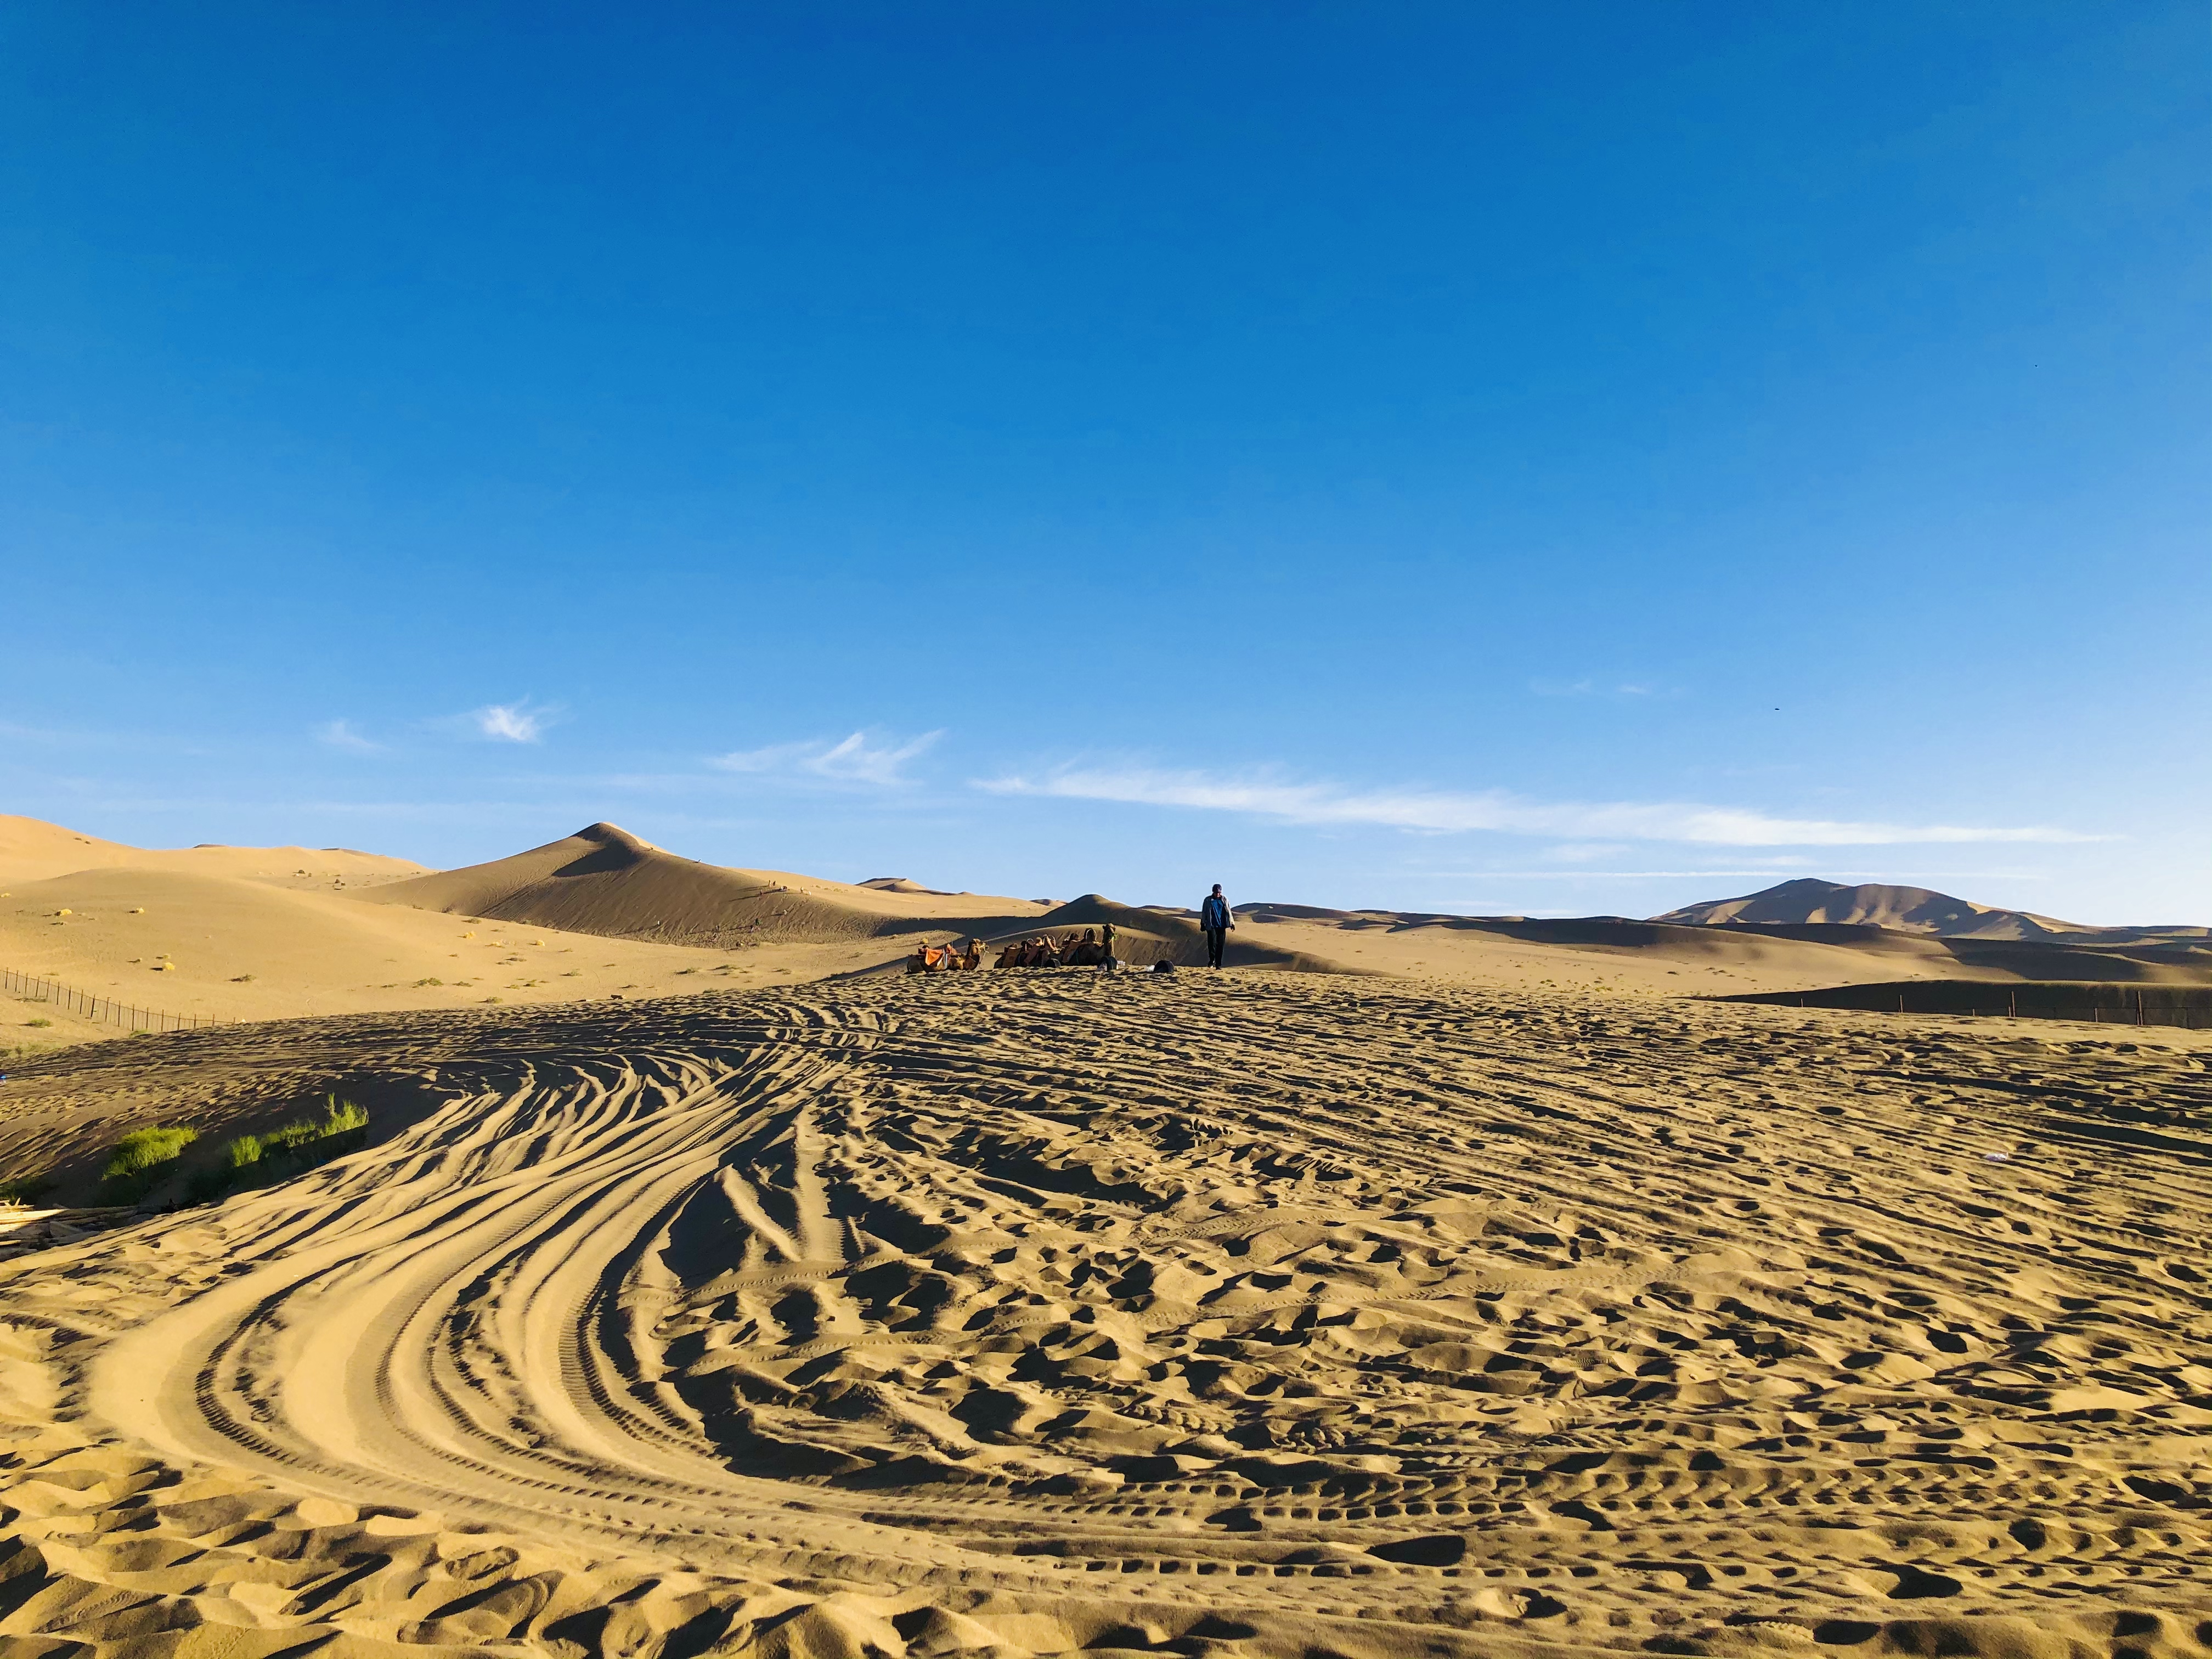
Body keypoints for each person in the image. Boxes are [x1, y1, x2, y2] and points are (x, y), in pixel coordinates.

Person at [1199, 883, 1233, 969]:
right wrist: (1203, 923)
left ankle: (1218, 965)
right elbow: (1204, 912)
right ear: (1213, 892)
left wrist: (1232, 923)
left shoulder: (1224, 900)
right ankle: (1212, 960)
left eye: (1219, 892)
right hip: (1212, 925)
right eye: (1216, 892)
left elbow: (1229, 912)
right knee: (1212, 944)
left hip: (1222, 926)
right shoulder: (1208, 900)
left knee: (1220, 945)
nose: (1218, 894)